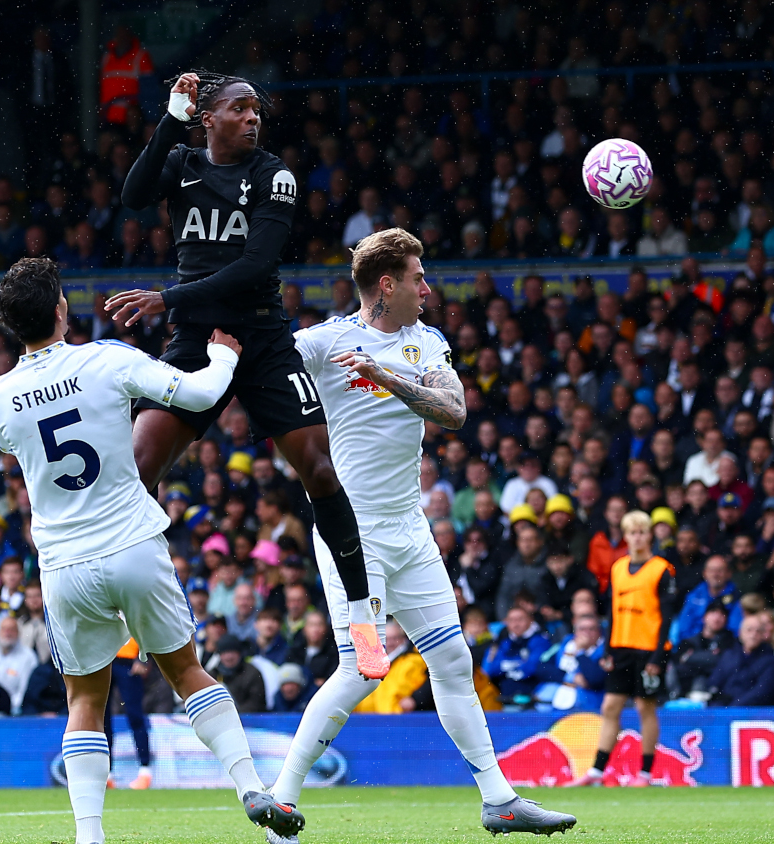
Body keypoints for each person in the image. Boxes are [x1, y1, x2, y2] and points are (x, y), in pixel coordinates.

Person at [0, 257, 303, 843]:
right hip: (130, 541)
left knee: (85, 697)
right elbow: (203, 392)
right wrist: (227, 353)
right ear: (60, 310)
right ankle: (252, 786)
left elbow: (13, 444)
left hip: (64, 564)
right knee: (185, 670)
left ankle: (89, 836)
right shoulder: (107, 357)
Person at [270, 228, 575, 837]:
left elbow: (454, 412)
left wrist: (385, 377)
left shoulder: (423, 341)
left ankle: (499, 800)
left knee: (453, 659)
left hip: (410, 532)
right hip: (351, 534)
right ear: (387, 285)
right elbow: (257, 363)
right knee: (361, 668)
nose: (426, 288)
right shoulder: (323, 341)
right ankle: (280, 799)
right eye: (417, 277)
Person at [108, 71, 387, 678]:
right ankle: (138, 610)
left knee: (318, 469)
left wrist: (167, 297)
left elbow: (257, 263)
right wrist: (168, 118)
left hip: (261, 338)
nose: (253, 117)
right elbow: (132, 196)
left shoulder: (273, 176)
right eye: (239, 108)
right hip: (194, 341)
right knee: (135, 470)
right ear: (208, 118)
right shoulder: (180, 158)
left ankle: (364, 618)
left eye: (256, 108)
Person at [576, 511, 677, 787]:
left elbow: (667, 617)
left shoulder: (662, 569)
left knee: (646, 708)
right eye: (632, 532)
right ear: (626, 536)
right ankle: (596, 772)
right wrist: (607, 649)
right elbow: (612, 612)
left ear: (650, 535)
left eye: (642, 532)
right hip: (621, 647)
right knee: (610, 707)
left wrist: (659, 655)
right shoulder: (618, 567)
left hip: (648, 649)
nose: (638, 537)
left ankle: (644, 774)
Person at [104, 638, 155, 789]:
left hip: (128, 659)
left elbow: (144, 625)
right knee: (102, 719)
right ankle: (107, 774)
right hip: (104, 658)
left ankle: (145, 770)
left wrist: (143, 658)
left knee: (135, 715)